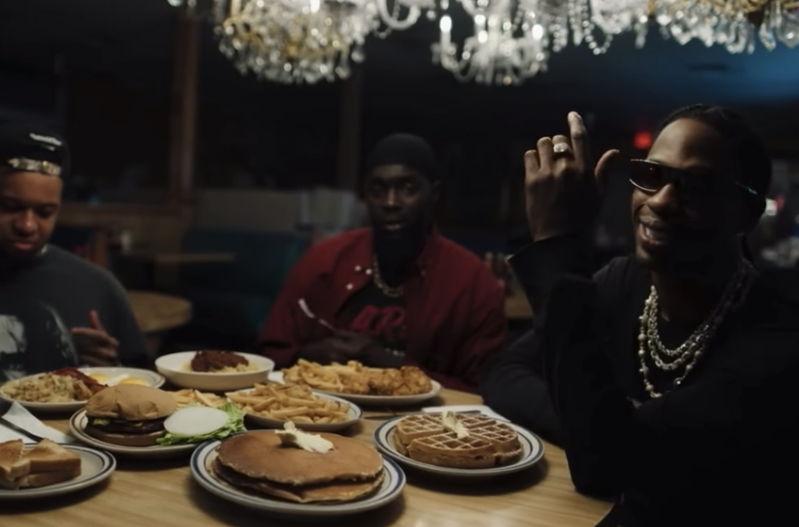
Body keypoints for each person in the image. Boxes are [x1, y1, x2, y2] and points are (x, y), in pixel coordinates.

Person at [481, 105, 799, 526]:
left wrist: (558, 244)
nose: (663, 200)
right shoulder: (625, 281)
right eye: (652, 176)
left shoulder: (776, 342)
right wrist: (598, 422)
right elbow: (504, 372)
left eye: (697, 186)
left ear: (746, 212)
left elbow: (602, 466)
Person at [257, 133, 506, 392]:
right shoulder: (325, 260)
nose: (391, 202)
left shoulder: (472, 281)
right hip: (323, 411)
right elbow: (269, 354)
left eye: (407, 189)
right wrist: (310, 355)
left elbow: (484, 389)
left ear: (433, 194)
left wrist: (391, 363)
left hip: (428, 423)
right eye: (378, 190)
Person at [0, 116, 150, 381]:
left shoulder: (97, 285)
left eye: (45, 212)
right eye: (11, 207)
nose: (27, 225)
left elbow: (140, 381)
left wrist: (110, 368)